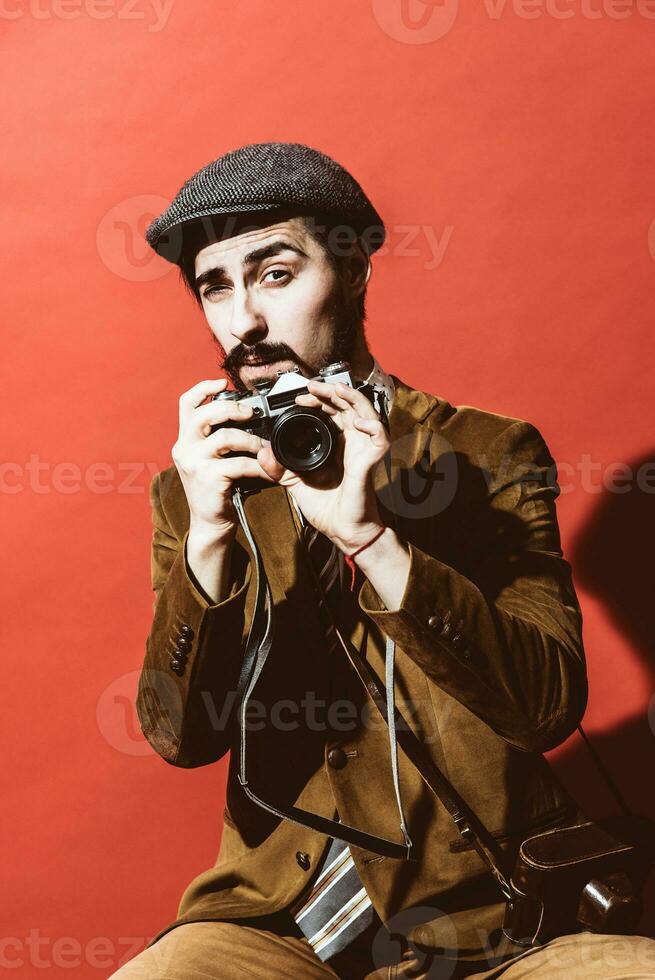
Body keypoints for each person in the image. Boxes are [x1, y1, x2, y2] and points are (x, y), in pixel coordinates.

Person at [112, 143, 655, 979]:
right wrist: (210, 539)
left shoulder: (484, 452)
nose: (241, 322)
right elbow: (179, 736)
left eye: (275, 274)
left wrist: (375, 540)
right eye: (215, 285)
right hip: (272, 923)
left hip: (492, 921)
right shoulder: (197, 486)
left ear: (355, 268)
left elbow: (545, 706)